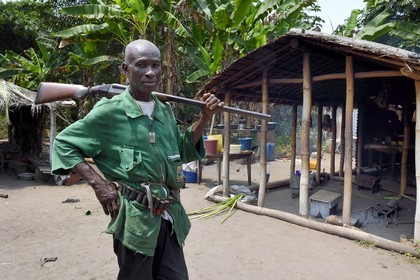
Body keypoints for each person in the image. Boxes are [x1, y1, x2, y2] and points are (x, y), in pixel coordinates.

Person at [51, 39, 224, 279]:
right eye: (142, 65)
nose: (150, 72)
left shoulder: (164, 110)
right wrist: (100, 184)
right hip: (135, 219)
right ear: (125, 69)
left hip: (170, 215)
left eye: (156, 65)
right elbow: (63, 143)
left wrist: (204, 118)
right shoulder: (109, 112)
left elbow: (183, 150)